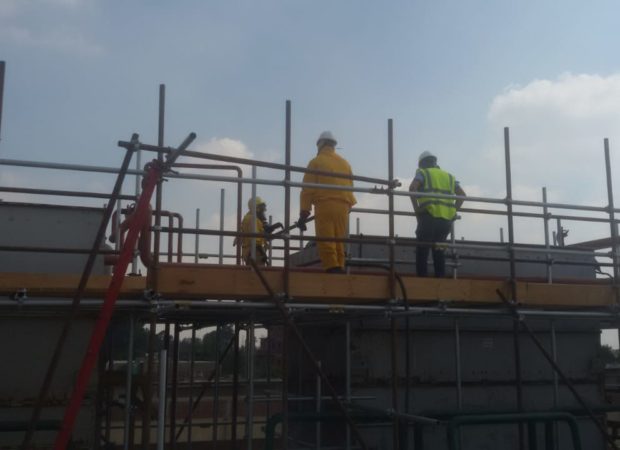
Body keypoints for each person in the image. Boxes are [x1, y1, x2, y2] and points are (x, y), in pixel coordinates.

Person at [298, 131, 356, 273]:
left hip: (325, 204)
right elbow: (351, 186)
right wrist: (347, 205)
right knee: (339, 239)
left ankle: (331, 267)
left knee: (326, 237)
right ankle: (340, 266)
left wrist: (303, 215)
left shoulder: (316, 161)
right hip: (343, 206)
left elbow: (307, 189)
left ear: (321, 144)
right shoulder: (345, 163)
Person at [409, 151, 466, 277]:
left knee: (422, 249)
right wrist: (453, 211)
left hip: (428, 217)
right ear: (435, 163)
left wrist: (417, 209)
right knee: (439, 251)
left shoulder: (423, 173)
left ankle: (422, 281)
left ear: (422, 164)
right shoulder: (449, 176)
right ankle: (440, 281)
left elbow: (412, 189)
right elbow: (462, 195)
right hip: (445, 222)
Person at [239, 196, 282, 265]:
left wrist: (273, 227)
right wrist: (262, 253)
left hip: (253, 251)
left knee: (256, 272)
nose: (265, 210)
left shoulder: (253, 218)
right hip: (254, 252)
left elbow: (264, 229)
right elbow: (255, 240)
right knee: (257, 273)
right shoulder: (252, 219)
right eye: (262, 208)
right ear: (257, 208)